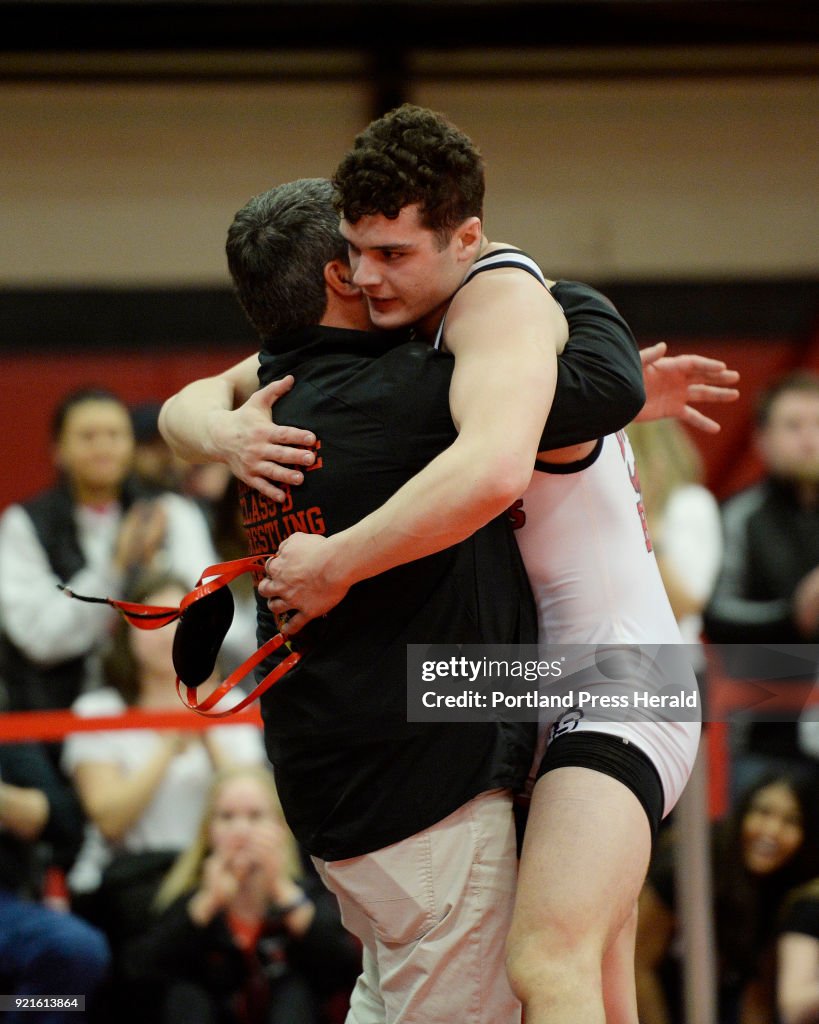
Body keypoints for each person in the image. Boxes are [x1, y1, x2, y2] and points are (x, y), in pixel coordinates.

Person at [160, 175, 655, 1024]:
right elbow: (606, 379)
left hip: (343, 781)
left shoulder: (268, 396)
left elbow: (182, 406)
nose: (379, 267)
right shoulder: (410, 394)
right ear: (338, 277)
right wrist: (504, 274)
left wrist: (207, 426)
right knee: (537, 974)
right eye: (365, 250)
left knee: (448, 987)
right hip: (429, 785)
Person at [0, 387, 222, 716]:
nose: (103, 447)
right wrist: (114, 568)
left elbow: (208, 611)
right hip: (54, 706)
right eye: (88, 436)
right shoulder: (24, 524)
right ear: (58, 450)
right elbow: (40, 639)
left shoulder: (171, 512)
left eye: (115, 435)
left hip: (165, 699)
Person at [61, 572, 266, 925]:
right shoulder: (97, 711)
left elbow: (256, 803)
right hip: (133, 882)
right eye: (154, 619)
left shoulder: (229, 703)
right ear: (127, 632)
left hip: (220, 872)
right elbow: (110, 820)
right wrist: (171, 742)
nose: (169, 633)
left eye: (181, 619)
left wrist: (204, 725)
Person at [123, 764, 361, 1024]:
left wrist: (281, 891)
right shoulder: (185, 895)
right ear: (208, 830)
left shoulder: (304, 892)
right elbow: (139, 973)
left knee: (296, 989)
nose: (241, 830)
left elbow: (345, 970)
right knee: (187, 995)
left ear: (280, 828)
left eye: (256, 816)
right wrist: (206, 903)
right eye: (227, 817)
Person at [703, 369, 819, 796]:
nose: (810, 439)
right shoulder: (740, 516)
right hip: (768, 739)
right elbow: (716, 616)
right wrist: (794, 613)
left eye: (818, 425)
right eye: (794, 425)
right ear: (763, 440)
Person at [636, 771, 819, 1024]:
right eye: (763, 812)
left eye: (792, 821)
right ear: (742, 813)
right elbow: (639, 966)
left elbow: (758, 995)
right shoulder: (689, 867)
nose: (772, 830)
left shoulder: (790, 893)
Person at [0, 742, 111, 1023]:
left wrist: (7, 801)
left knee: (77, 949)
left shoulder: (9, 738)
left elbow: (66, 821)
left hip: (7, 905)